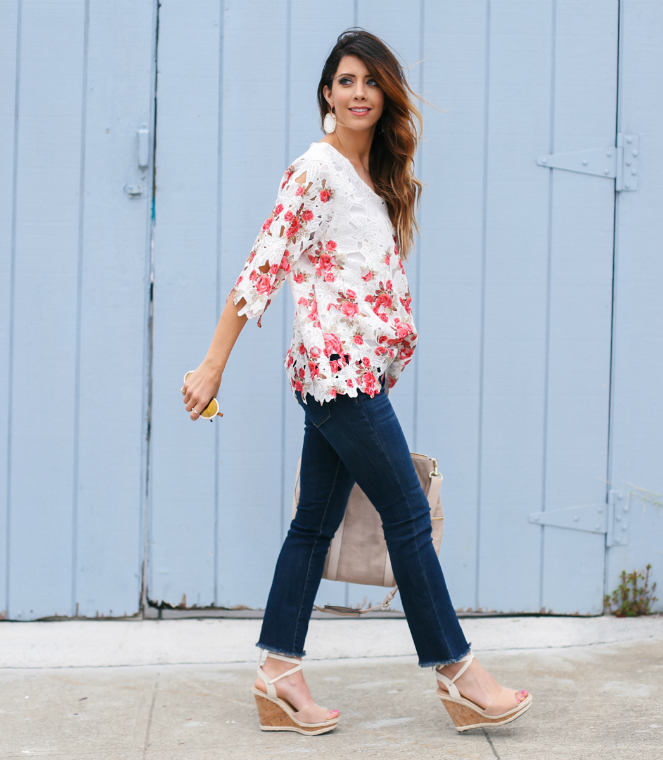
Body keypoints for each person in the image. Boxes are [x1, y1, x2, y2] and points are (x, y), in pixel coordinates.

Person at [180, 29, 531, 736]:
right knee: (407, 514)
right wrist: (213, 363)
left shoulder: (371, 179)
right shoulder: (316, 171)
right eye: (345, 81)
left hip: (351, 375)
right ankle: (458, 673)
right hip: (337, 377)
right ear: (326, 94)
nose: (359, 93)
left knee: (312, 526)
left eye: (371, 81)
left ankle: (278, 675)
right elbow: (263, 267)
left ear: (385, 93)